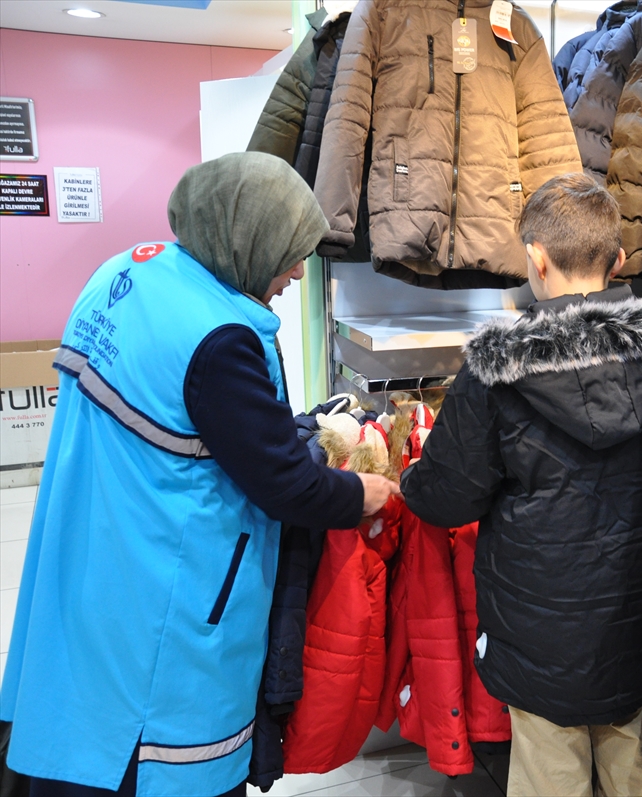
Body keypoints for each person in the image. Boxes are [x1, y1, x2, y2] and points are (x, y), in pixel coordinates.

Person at [0, 152, 400, 797]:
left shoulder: (128, 273)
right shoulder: (219, 338)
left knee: (81, 706)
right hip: (171, 580)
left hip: (96, 547)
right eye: (288, 253)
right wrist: (361, 492)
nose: (298, 272)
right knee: (152, 743)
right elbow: (285, 485)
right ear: (246, 240)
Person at [399, 173, 642, 797]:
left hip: (538, 631)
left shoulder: (497, 370)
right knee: (636, 773)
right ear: (618, 260)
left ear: (535, 258)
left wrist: (407, 479)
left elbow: (445, 493)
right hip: (640, 620)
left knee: (547, 777)